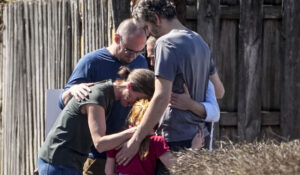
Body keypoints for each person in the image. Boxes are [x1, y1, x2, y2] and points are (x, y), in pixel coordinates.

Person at [116, 0, 221, 171]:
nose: (147, 33)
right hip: (199, 137)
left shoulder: (165, 43)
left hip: (176, 139)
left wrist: (136, 140)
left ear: (156, 18)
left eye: (147, 27)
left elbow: (161, 97)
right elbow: (219, 91)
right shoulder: (200, 41)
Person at [58, 18, 148, 175]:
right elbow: (62, 102)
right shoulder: (91, 62)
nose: (134, 57)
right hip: (95, 155)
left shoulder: (140, 62)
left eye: (139, 51)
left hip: (127, 151)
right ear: (116, 38)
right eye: (129, 51)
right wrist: (73, 90)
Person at [38, 67, 155, 175]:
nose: (136, 103)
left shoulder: (106, 95)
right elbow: (100, 144)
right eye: (138, 98)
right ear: (129, 86)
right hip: (59, 163)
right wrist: (139, 130)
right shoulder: (98, 96)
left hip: (68, 163)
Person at [104, 99, 205, 175]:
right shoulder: (156, 141)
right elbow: (175, 166)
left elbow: (109, 171)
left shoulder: (117, 140)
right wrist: (193, 149)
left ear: (133, 119)